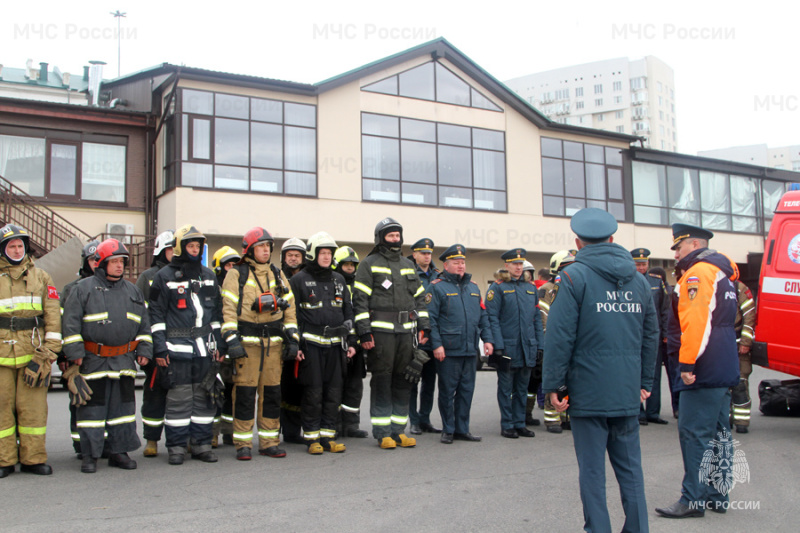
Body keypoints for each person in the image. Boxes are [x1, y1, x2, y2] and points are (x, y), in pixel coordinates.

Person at [543, 208, 658, 533]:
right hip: (626, 391)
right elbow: (651, 335)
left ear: (578, 243)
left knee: (592, 472)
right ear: (612, 239)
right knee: (631, 470)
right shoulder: (639, 282)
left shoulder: (573, 277)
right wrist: (645, 382)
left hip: (588, 393)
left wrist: (554, 385)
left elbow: (560, 335)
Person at [655, 223, 741, 519]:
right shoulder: (723, 273)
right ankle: (718, 493)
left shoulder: (698, 273)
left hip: (703, 365)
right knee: (719, 433)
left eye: (678, 247)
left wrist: (688, 363)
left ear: (693, 244)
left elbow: (698, 322)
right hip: (722, 361)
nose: (676, 254)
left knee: (694, 433)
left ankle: (693, 499)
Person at [62, 238, 153, 474]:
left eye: (122, 261)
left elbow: (144, 326)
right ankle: (90, 455)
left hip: (123, 361)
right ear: (101, 264)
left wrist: (144, 350)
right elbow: (70, 324)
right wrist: (74, 354)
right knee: (92, 411)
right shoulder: (82, 289)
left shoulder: (133, 291)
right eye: (114, 262)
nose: (119, 266)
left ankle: (118, 452)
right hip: (93, 361)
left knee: (122, 411)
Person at [221, 227, 299, 460]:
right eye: (261, 246)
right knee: (245, 395)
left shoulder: (277, 274)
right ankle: (242, 444)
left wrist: (293, 340)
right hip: (247, 346)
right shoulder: (236, 274)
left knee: (273, 395)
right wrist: (232, 340)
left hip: (273, 346)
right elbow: (228, 310)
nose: (265, 251)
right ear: (250, 250)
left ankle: (268, 442)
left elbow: (291, 309)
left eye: (268, 246)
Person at [148, 225, 224, 465]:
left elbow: (216, 315)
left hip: (204, 349)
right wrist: (159, 348)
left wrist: (219, 344)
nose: (195, 250)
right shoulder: (164, 276)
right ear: (180, 248)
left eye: (198, 246)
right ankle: (177, 447)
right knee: (179, 399)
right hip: (175, 348)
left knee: (204, 397)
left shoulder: (209, 276)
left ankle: (201, 445)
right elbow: (156, 316)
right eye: (190, 246)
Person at [352, 217, 430, 449]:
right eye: (390, 235)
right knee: (382, 382)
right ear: (380, 238)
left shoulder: (408, 264)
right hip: (381, 335)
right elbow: (360, 301)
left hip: (406, 334)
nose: (395, 239)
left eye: (397, 235)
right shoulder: (369, 264)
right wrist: (364, 333)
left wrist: (425, 325)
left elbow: (420, 298)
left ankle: (399, 430)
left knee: (404, 381)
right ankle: (382, 432)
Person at [0, 224, 61, 478]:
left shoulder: (42, 277)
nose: (16, 249)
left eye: (20, 245)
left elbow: (53, 317)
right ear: (3, 250)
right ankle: (4, 460)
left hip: (34, 356)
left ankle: (33, 459)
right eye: (11, 246)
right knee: (2, 408)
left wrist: (47, 354)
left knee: (33, 410)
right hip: (2, 354)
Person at [289, 232, 356, 454]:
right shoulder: (298, 280)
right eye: (323, 253)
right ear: (313, 254)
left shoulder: (338, 279)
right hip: (311, 345)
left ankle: (328, 436)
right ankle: (311, 438)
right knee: (314, 392)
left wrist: (352, 340)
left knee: (334, 392)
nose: (327, 257)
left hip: (336, 345)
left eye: (329, 253)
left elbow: (348, 311)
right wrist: (296, 345)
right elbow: (292, 315)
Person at [426, 244, 494, 444]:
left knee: (466, 390)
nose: (461, 266)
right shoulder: (436, 287)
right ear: (446, 265)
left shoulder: (473, 287)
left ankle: (462, 429)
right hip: (448, 349)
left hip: (469, 348)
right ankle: (448, 429)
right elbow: (431, 319)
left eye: (463, 262)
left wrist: (488, 339)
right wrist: (436, 345)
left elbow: (483, 316)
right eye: (456, 262)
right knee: (447, 391)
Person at [485, 248, 543, 439]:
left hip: (527, 347)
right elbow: (492, 318)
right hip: (508, 347)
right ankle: (507, 424)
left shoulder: (530, 288)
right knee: (506, 388)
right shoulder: (497, 288)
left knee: (522, 389)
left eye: (521, 264)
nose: (518, 267)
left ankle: (520, 423)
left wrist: (539, 345)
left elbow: (536, 319)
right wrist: (498, 345)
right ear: (506, 266)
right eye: (514, 264)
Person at [59, 239, 100, 456]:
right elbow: (63, 325)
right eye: (93, 259)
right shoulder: (71, 289)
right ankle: (81, 445)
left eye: (99, 259)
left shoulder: (113, 287)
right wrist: (63, 356)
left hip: (101, 355)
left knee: (102, 401)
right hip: (78, 356)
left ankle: (103, 445)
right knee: (79, 399)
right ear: (86, 261)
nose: (96, 263)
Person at [136, 230, 174, 458]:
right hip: (154, 345)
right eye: (169, 249)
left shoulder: (184, 274)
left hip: (179, 345)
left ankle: (179, 439)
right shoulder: (147, 277)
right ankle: (151, 440)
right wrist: (145, 347)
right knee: (154, 396)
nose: (173, 253)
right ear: (161, 250)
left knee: (180, 397)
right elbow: (140, 314)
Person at [631, 248, 671, 426]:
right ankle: (638, 412)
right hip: (634, 336)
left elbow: (665, 309)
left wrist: (666, 334)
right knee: (636, 373)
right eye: (637, 264)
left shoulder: (656, 282)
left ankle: (653, 412)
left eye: (643, 264)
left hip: (654, 335)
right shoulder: (627, 281)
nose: (640, 267)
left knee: (654, 374)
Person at [538, 250, 576, 434]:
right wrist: (550, 338)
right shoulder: (547, 289)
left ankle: (565, 415)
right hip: (553, 341)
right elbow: (543, 316)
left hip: (570, 341)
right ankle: (552, 418)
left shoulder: (573, 285)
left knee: (569, 380)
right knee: (553, 379)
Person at [334, 246, 369, 438]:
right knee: (336, 386)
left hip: (355, 343)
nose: (349, 268)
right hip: (336, 343)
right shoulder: (332, 284)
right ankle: (336, 424)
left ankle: (351, 425)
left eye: (352, 264)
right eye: (345, 264)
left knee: (355, 386)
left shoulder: (360, 286)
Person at [407, 238, 441, 435]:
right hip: (415, 335)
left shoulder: (438, 275)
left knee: (430, 382)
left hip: (433, 336)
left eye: (429, 253)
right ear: (415, 255)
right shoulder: (409, 273)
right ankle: (414, 421)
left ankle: (425, 418)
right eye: (423, 253)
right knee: (412, 381)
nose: (427, 256)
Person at [211, 245, 241, 447]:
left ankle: (229, 433)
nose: (231, 268)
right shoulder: (212, 289)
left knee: (233, 392)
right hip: (217, 348)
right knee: (214, 392)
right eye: (227, 264)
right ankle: (212, 434)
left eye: (234, 265)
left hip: (236, 346)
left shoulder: (242, 286)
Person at [279, 237, 307, 445]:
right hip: (280, 339)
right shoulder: (276, 278)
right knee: (281, 388)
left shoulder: (307, 279)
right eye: (290, 255)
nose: (294, 259)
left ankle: (292, 431)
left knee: (298, 387)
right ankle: (281, 431)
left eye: (297, 255)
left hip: (303, 339)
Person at [649, 266, 680, 419]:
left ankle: (677, 407)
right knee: (654, 375)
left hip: (668, 338)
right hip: (656, 338)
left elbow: (667, 313)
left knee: (674, 374)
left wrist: (667, 334)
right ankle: (652, 411)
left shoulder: (671, 291)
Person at [731, 280, 756, 433]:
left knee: (740, 383)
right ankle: (725, 420)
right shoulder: (712, 283)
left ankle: (741, 421)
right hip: (721, 344)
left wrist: (746, 342)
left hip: (739, 343)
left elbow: (749, 315)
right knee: (722, 384)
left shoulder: (739, 288)